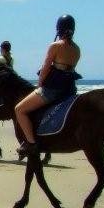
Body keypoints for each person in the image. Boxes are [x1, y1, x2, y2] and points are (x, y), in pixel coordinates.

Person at [14, 15, 81, 154]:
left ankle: (31, 144)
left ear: (59, 28)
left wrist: (39, 85)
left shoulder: (55, 46)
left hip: (53, 89)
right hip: (69, 90)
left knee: (19, 109)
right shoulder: (77, 49)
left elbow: (45, 68)